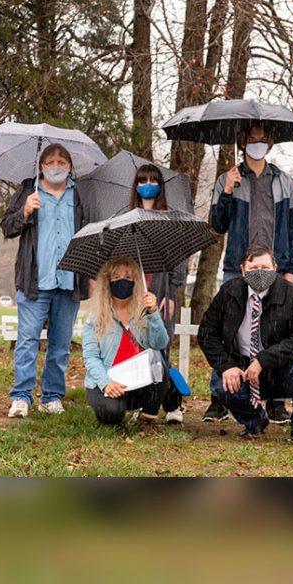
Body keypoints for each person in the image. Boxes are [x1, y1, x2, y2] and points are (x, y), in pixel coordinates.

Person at [204, 123, 293, 424]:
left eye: (262, 140)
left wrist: (290, 269)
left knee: (276, 330)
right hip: (237, 265)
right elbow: (217, 224)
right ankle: (220, 397)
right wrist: (228, 190)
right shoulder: (227, 178)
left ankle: (275, 401)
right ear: (243, 143)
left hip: (275, 265)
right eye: (251, 140)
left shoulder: (284, 181)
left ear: (269, 144)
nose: (257, 144)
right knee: (227, 330)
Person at [0, 143, 90, 418]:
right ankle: (21, 396)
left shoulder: (79, 194)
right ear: (41, 166)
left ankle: (52, 396)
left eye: (62, 162)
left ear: (70, 167)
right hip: (34, 281)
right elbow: (7, 227)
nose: (56, 166)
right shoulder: (29, 190)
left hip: (68, 280)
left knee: (60, 343)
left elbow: (90, 234)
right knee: (27, 340)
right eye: (50, 161)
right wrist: (25, 211)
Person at [197, 245, 293, 440]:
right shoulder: (229, 292)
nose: (260, 273)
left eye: (265, 268)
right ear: (243, 269)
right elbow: (206, 332)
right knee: (222, 386)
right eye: (254, 269)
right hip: (243, 366)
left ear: (275, 268)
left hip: (282, 368)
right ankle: (255, 421)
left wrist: (263, 360)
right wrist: (226, 366)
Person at [82, 257, 177, 425]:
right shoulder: (95, 317)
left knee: (159, 368)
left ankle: (147, 417)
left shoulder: (144, 311)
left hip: (137, 379)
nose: (122, 282)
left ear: (136, 280)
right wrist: (106, 383)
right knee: (112, 415)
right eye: (116, 277)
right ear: (107, 282)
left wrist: (154, 313)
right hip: (108, 380)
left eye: (127, 277)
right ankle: (114, 407)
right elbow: (90, 357)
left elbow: (161, 343)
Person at [128, 163, 185, 424]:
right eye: (142, 180)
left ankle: (173, 404)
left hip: (162, 291)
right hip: (137, 292)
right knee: (140, 347)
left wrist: (171, 292)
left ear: (160, 185)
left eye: (152, 180)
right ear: (136, 186)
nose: (147, 184)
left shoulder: (169, 219)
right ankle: (146, 399)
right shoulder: (128, 219)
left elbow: (178, 257)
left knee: (162, 347)